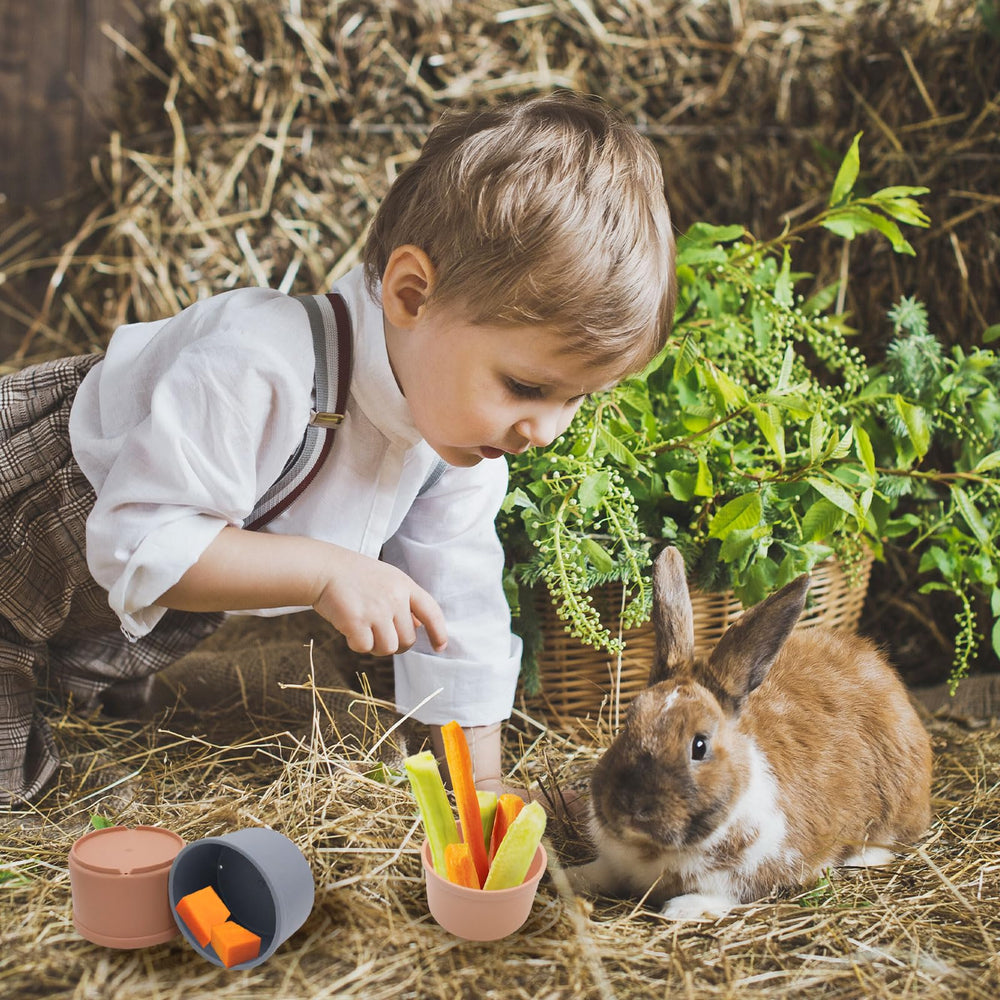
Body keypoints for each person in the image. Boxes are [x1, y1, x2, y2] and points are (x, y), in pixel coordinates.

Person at [0, 90, 676, 806]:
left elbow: (459, 615)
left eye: (576, 399)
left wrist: (480, 793)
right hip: (27, 539)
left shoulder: (455, 448)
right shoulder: (260, 365)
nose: (544, 430)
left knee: (88, 712)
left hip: (103, 616)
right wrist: (326, 573)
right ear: (412, 295)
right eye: (525, 385)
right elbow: (138, 540)